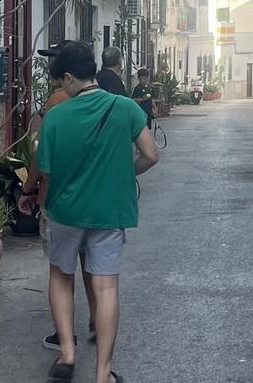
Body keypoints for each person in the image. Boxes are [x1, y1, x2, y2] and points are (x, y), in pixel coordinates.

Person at [31, 42, 159, 383]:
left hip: (65, 211)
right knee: (106, 289)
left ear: (70, 78)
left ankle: (68, 355)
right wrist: (124, 173)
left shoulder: (57, 116)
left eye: (61, 83)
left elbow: (43, 167)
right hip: (109, 210)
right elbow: (150, 154)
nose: (61, 88)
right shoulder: (126, 108)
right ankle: (103, 374)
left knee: (61, 276)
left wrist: (31, 193)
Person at [22, 40, 99, 352]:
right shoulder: (104, 100)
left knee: (60, 271)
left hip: (59, 197)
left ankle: (65, 338)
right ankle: (98, 317)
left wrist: (28, 189)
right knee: (93, 265)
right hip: (94, 196)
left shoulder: (56, 103)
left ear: (65, 73)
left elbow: (42, 155)